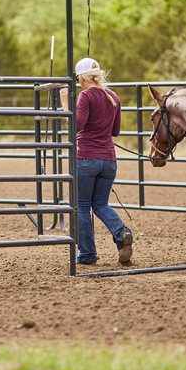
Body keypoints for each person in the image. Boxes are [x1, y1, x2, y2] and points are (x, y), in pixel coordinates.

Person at [60, 57, 133, 266]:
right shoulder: (113, 96)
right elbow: (115, 131)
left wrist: (66, 104)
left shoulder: (85, 96)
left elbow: (77, 126)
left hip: (86, 158)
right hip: (109, 160)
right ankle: (122, 234)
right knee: (100, 204)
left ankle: (87, 255)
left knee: (82, 206)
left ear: (82, 77)